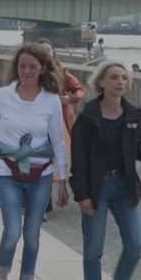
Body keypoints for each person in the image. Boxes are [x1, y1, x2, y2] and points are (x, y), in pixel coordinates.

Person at [0, 43, 69, 280]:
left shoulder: (51, 100)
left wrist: (62, 181)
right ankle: (2, 278)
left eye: (32, 67)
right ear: (15, 68)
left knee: (32, 233)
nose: (27, 71)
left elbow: (58, 142)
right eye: (22, 66)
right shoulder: (1, 96)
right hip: (7, 172)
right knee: (11, 231)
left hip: (41, 174)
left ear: (43, 68)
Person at [71, 61, 141, 280]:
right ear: (101, 82)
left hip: (124, 186)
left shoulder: (133, 114)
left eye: (123, 78)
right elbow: (77, 159)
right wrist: (82, 194)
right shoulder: (88, 117)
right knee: (93, 247)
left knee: (135, 243)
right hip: (97, 188)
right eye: (113, 77)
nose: (120, 82)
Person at [36, 39, 85, 215]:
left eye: (48, 50)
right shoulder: (31, 72)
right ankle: (43, 202)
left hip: (61, 121)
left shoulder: (62, 74)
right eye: (41, 51)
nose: (45, 54)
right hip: (38, 124)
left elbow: (79, 89)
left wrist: (69, 99)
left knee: (63, 158)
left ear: (53, 52)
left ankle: (67, 191)